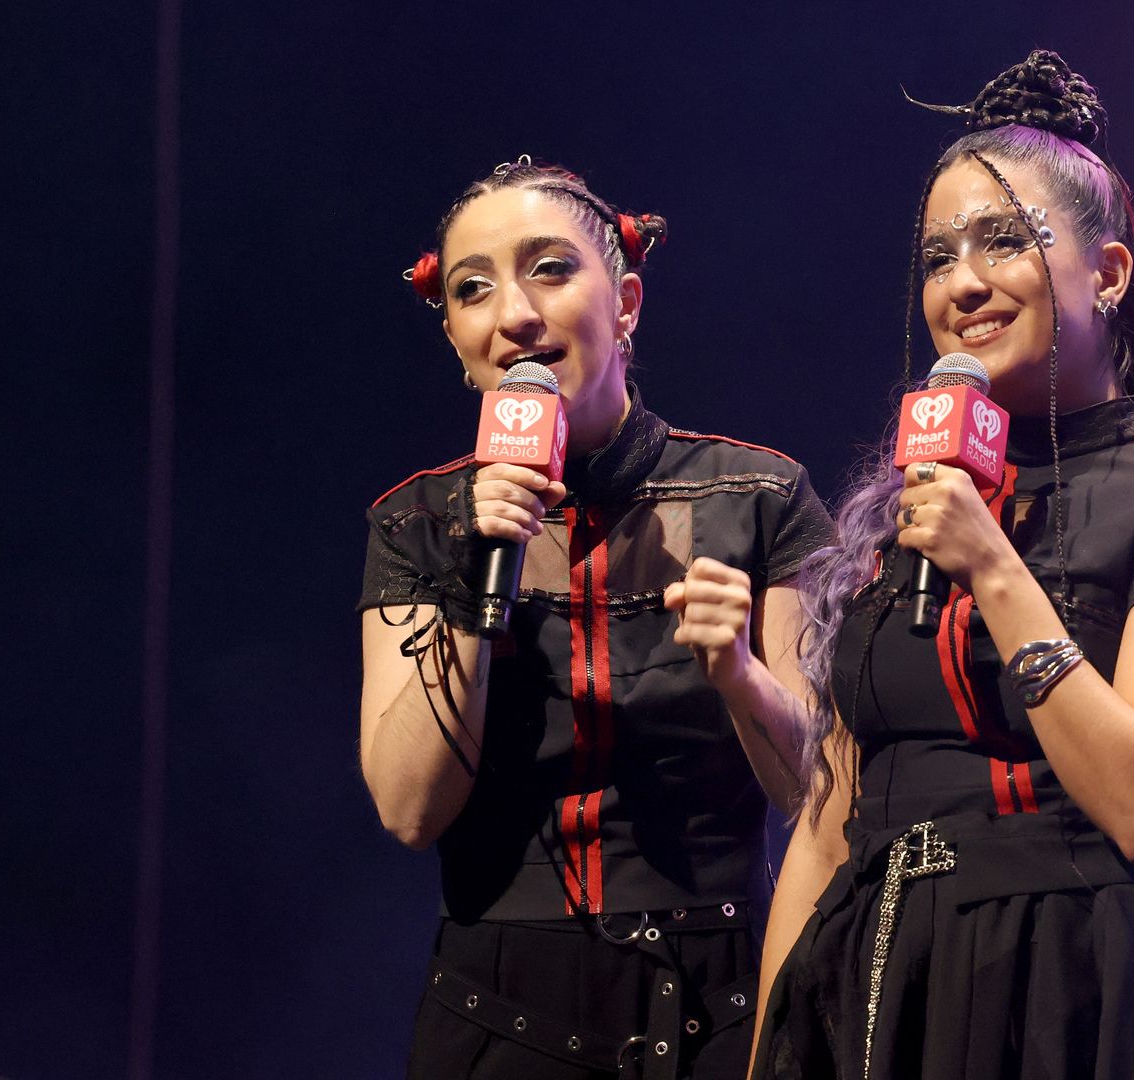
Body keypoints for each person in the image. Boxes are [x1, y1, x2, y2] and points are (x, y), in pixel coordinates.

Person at [751, 52, 1134, 1079]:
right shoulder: (899, 518)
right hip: (884, 988)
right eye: (937, 256)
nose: (963, 283)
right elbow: (828, 830)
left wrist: (994, 569)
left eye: (1004, 242)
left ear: (1110, 273)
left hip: (1087, 996)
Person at [358, 156, 831, 1079]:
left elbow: (820, 795)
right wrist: (468, 587)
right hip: (495, 1016)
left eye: (550, 268)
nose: (515, 315)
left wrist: (740, 671)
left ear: (625, 303)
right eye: (472, 289)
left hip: (720, 1006)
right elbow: (409, 809)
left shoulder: (758, 496)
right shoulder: (418, 522)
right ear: (456, 338)